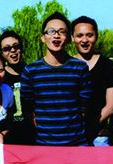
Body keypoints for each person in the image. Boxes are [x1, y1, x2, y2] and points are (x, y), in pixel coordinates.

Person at [20, 11, 92, 146]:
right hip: (44, 144)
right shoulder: (30, 71)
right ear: (43, 38)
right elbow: (28, 109)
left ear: (69, 38)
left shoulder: (80, 68)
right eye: (51, 31)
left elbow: (84, 107)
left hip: (76, 143)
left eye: (61, 32)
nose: (56, 35)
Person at [72, 16, 113, 146]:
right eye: (79, 36)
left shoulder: (109, 66)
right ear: (72, 38)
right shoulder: (67, 66)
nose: (84, 40)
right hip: (70, 135)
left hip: (99, 136)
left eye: (89, 35)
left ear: (96, 36)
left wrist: (88, 127)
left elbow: (111, 106)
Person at [0, 30, 27, 144]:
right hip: (7, 137)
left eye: (16, 46)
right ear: (1, 53)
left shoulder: (31, 73)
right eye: (7, 48)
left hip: (32, 135)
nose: (12, 50)